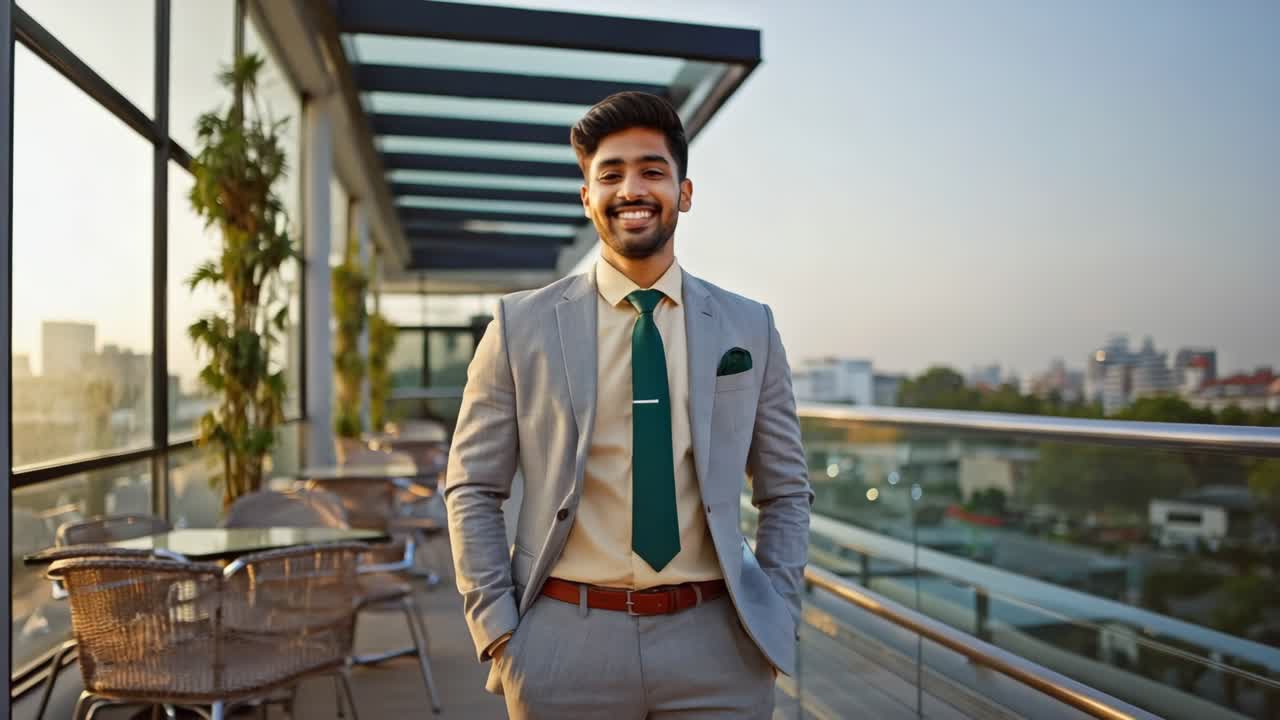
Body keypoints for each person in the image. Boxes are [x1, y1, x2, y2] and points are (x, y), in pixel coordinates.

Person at [445, 91, 812, 719]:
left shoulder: (748, 327)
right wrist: (500, 631)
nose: (631, 189)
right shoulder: (518, 325)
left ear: (684, 192)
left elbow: (786, 489)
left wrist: (776, 608)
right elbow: (472, 487)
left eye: (651, 170)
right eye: (609, 174)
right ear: (586, 197)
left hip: (719, 643)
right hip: (563, 640)